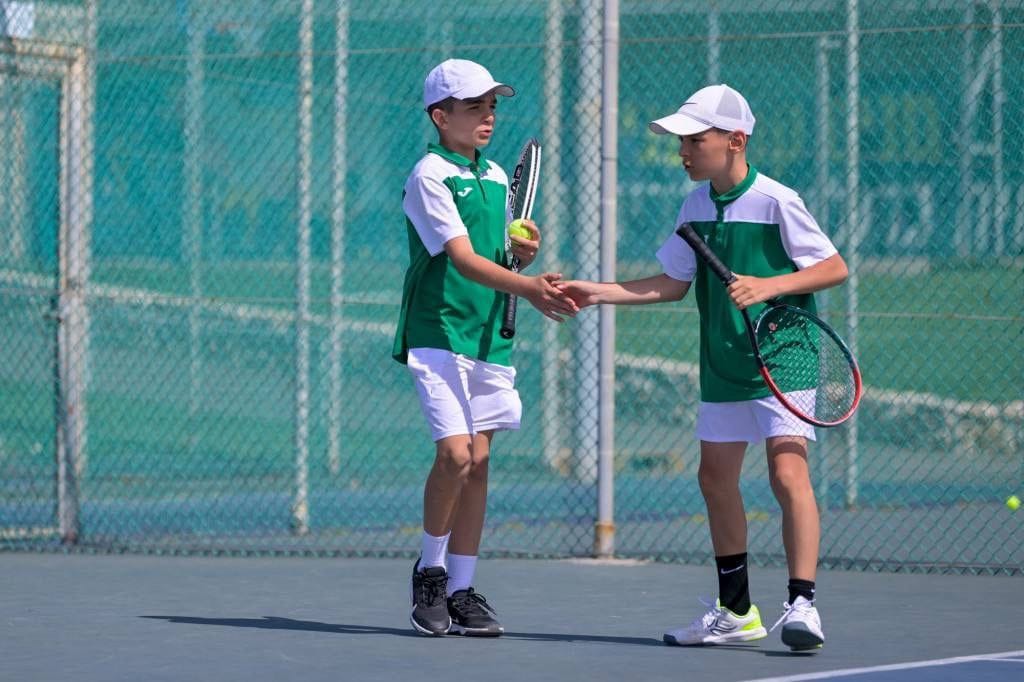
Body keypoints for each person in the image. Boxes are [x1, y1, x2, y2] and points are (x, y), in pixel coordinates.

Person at [557, 84, 848, 652]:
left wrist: (771, 284)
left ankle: (804, 604)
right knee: (714, 479)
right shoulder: (694, 206)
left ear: (735, 141)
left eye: (695, 140)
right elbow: (670, 284)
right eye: (681, 141)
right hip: (722, 362)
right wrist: (593, 291)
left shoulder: (776, 200)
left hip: (783, 360)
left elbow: (833, 266)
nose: (684, 152)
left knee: (787, 475)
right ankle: (736, 610)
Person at [393, 58, 577, 637]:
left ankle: (463, 587)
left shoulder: (497, 177)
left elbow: (494, 255)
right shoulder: (429, 175)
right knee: (456, 456)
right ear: (440, 115)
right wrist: (530, 285)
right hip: (440, 331)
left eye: (492, 105)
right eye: (475, 107)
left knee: (481, 464)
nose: (488, 116)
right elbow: (463, 259)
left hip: (489, 336)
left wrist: (521, 255)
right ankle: (430, 571)